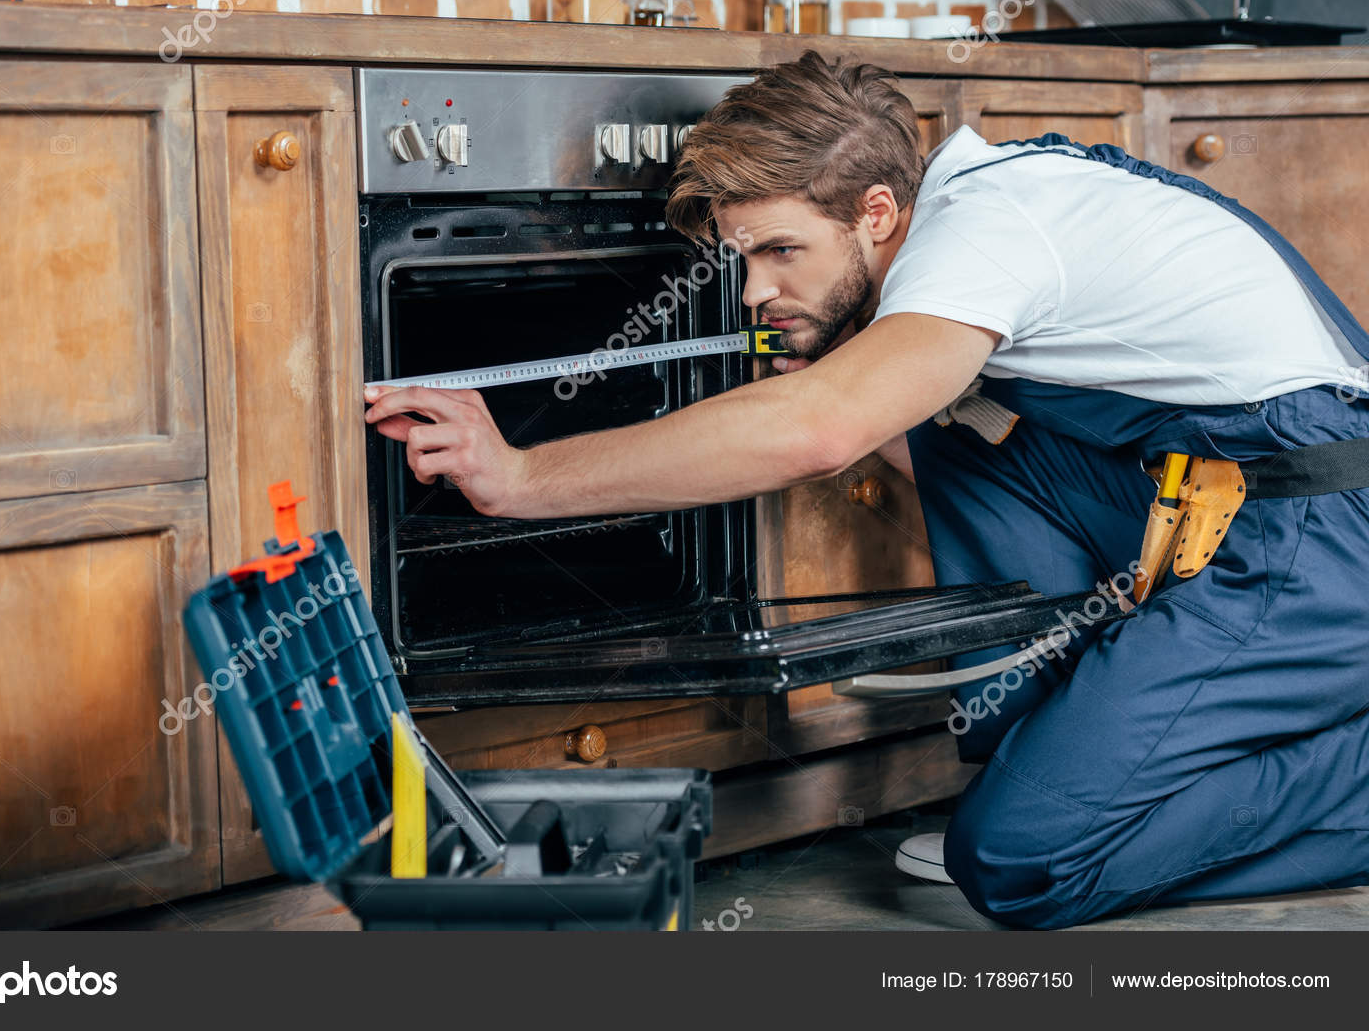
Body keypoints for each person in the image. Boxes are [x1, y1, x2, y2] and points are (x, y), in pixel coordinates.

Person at [364, 50, 1369, 929]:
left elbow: (818, 432)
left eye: (779, 250)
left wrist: (523, 475)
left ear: (876, 211)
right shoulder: (982, 193)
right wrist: (830, 397)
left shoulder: (983, 235)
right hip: (1225, 493)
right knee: (956, 422)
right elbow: (935, 440)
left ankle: (1073, 812)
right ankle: (1060, 767)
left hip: (1307, 533)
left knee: (1019, 864)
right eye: (741, 258)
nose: (754, 292)